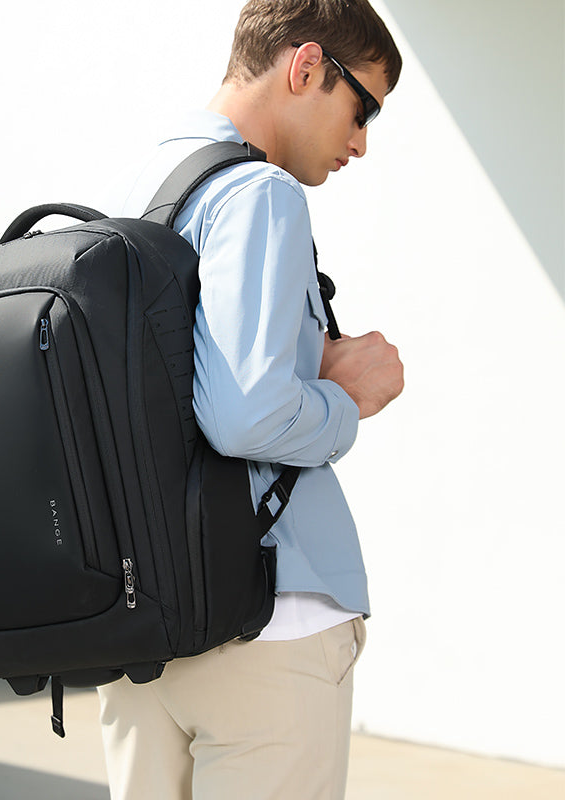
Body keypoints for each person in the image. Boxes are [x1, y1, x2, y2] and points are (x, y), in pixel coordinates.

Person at [97, 1, 405, 798]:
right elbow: (246, 414)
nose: (361, 143)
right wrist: (346, 400)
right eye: (363, 109)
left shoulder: (137, 185)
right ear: (306, 67)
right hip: (269, 620)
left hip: (141, 626)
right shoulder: (260, 191)